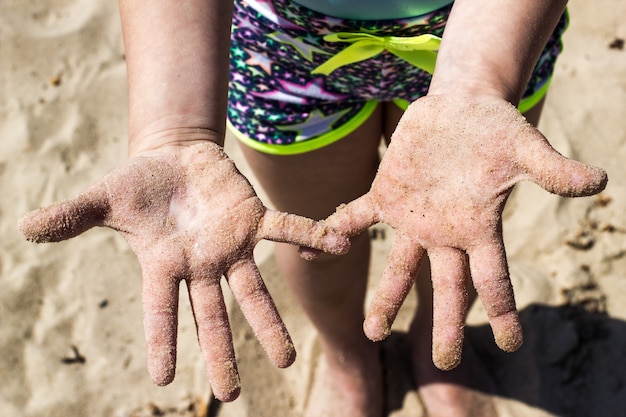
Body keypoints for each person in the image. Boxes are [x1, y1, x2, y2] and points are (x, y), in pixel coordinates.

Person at [19, 0, 608, 416]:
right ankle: (349, 355)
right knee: (313, 231)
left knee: (455, 226)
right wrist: (172, 129)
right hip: (284, 44)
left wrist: (478, 81)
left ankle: (437, 350)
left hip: (496, 30)